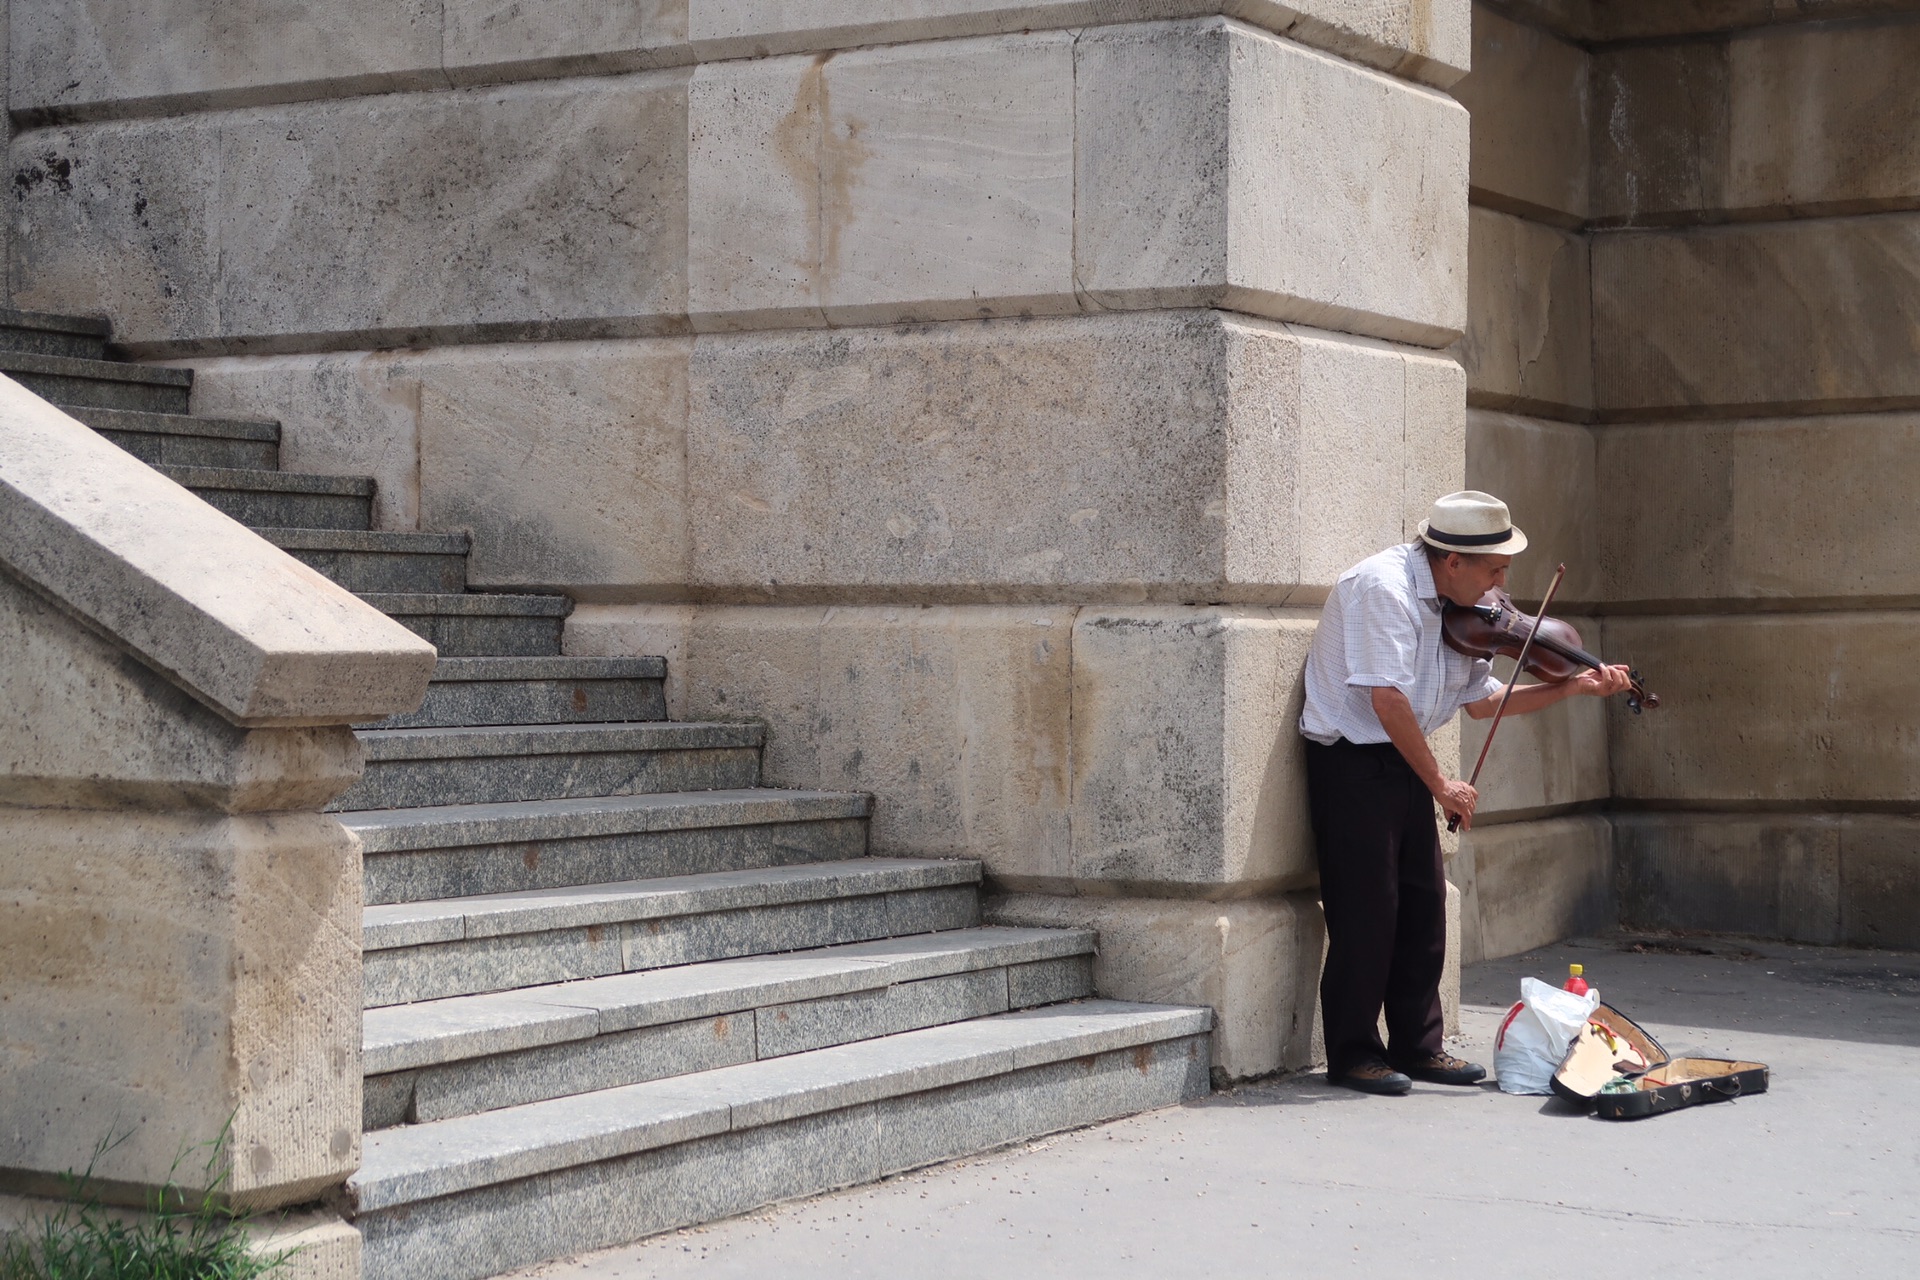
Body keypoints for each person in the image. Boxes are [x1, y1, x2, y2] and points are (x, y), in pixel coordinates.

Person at [1299, 491, 1634, 1096]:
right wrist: (1443, 784)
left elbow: (1482, 703)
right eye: (1495, 570)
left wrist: (1573, 688)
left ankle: (1418, 1046)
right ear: (1452, 562)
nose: (1503, 585)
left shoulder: (1465, 609)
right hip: (1350, 760)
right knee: (1367, 914)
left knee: (1424, 910)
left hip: (1404, 756)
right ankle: (1352, 1054)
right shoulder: (1384, 589)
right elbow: (1387, 699)